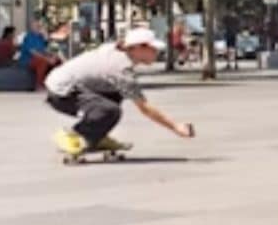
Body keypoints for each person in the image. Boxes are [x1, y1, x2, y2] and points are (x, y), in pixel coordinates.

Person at [46, 27, 195, 154]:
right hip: (61, 93)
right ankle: (71, 134)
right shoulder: (120, 69)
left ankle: (97, 136)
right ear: (138, 48)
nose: (156, 53)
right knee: (110, 110)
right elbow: (145, 108)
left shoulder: (117, 49)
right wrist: (176, 127)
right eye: (153, 49)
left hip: (67, 84)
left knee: (116, 94)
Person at [20, 19, 61, 90]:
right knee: (43, 62)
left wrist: (53, 56)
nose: (38, 27)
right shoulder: (28, 37)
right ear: (31, 27)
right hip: (29, 60)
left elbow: (45, 49)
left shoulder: (40, 37)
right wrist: (47, 59)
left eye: (39, 26)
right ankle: (38, 85)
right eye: (36, 26)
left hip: (40, 58)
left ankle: (54, 83)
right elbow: (33, 52)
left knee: (58, 60)